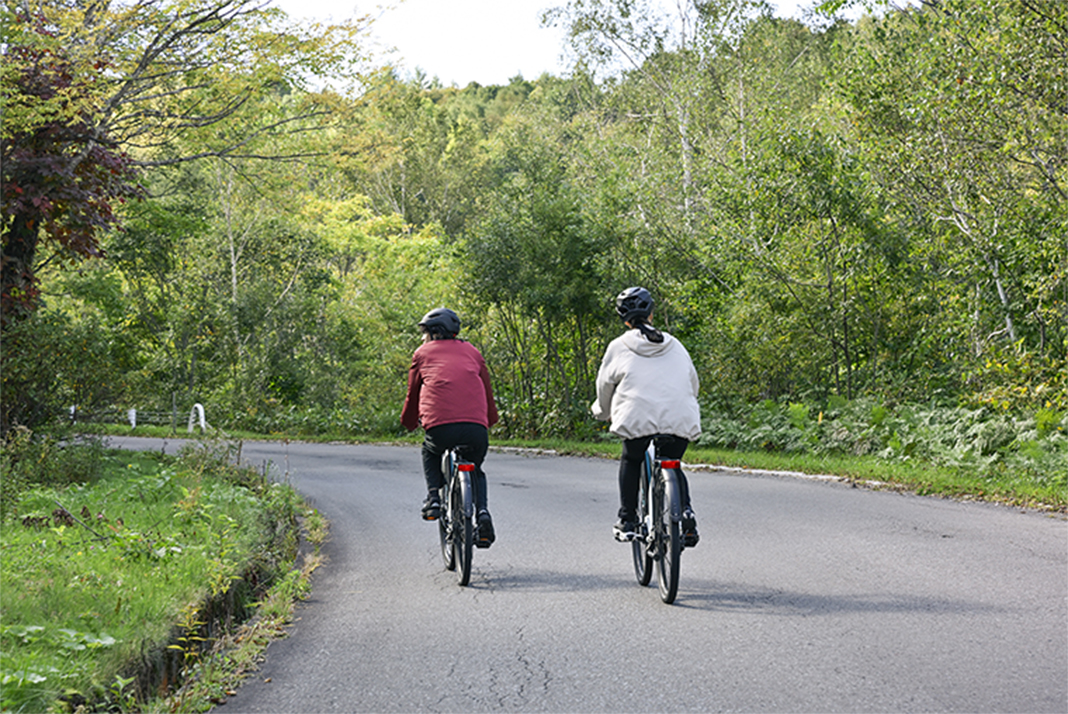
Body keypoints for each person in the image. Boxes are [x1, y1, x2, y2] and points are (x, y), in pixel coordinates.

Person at [591, 286, 701, 547]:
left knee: (632, 458)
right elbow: (693, 383)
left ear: (625, 319)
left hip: (637, 420)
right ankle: (686, 513)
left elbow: (605, 386)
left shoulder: (618, 346)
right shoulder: (675, 344)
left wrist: (602, 412)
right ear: (652, 314)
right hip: (680, 418)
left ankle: (627, 519)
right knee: (672, 460)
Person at [401, 307, 499, 547]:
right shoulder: (473, 352)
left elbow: (412, 395)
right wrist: (490, 419)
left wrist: (409, 422)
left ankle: (434, 497)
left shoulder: (422, 354)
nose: (422, 338)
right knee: (475, 468)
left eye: (424, 333)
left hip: (439, 428)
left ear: (434, 333)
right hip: (476, 428)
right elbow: (487, 391)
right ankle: (483, 514)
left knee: (429, 450)